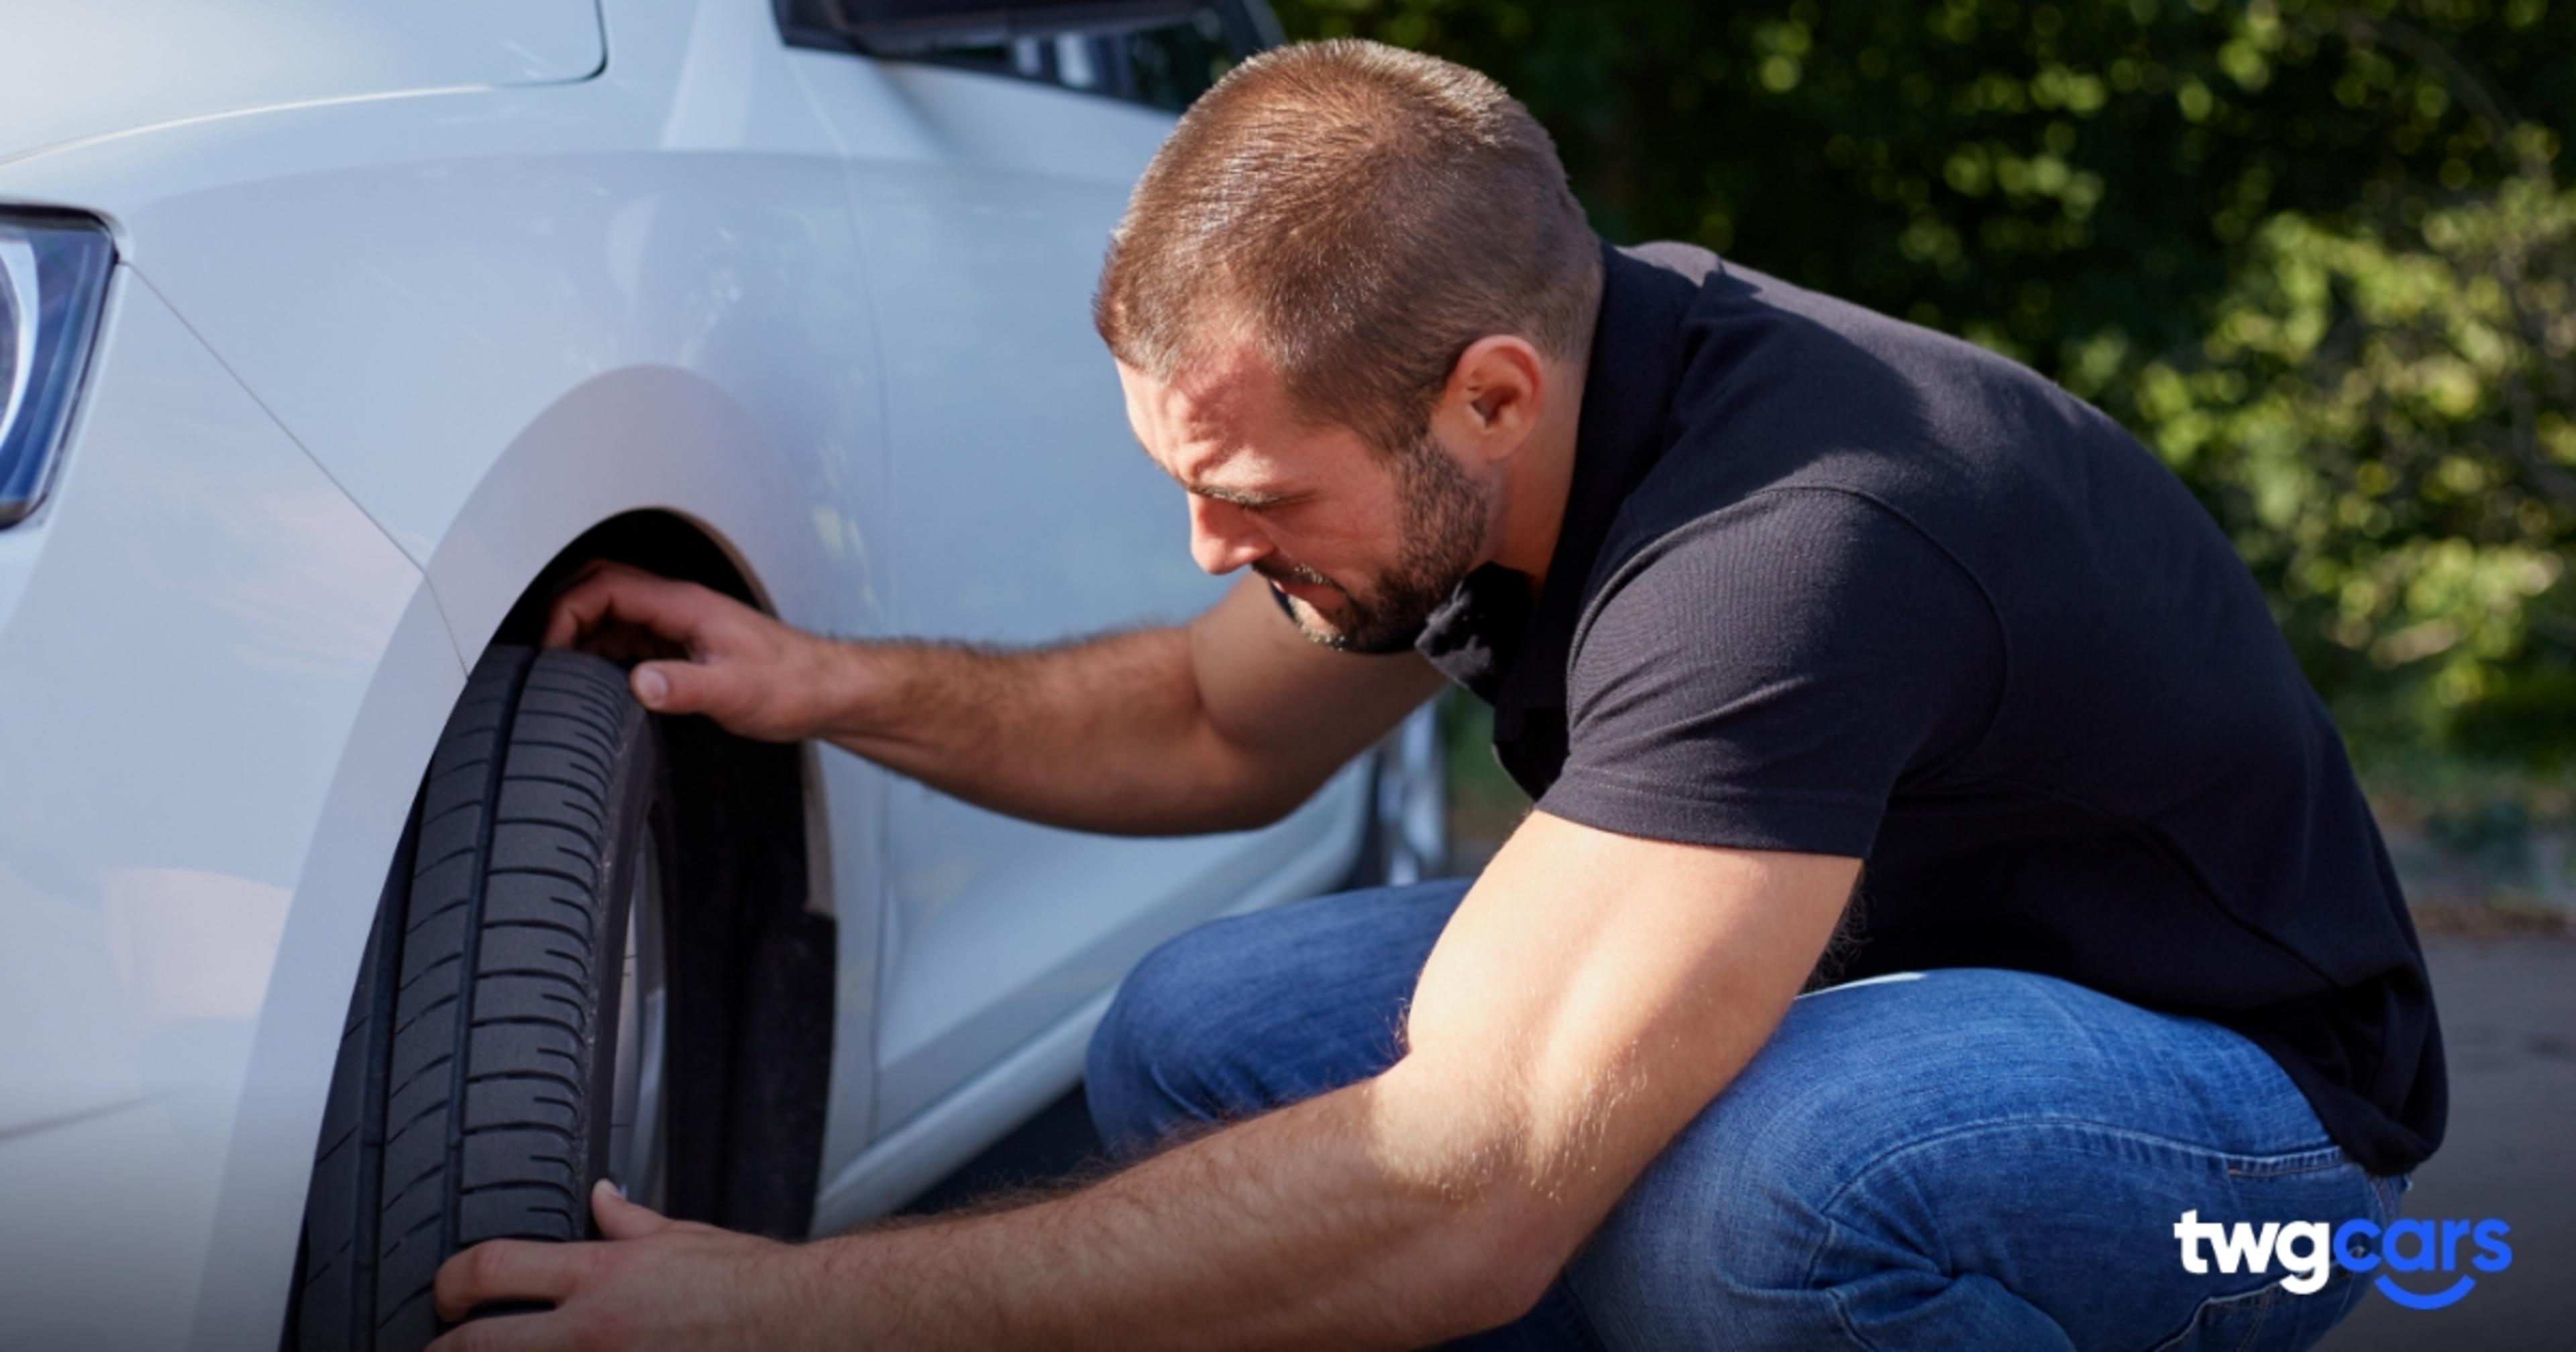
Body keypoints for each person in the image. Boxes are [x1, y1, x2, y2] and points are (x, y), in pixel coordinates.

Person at [427, 38, 2443, 1351]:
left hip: (2249, 1155)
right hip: (1880, 975)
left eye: (1252, 496)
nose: (1215, 549)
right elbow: (1213, 727)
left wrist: (785, 1314)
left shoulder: (1798, 541)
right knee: (1204, 1031)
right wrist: (829, 678)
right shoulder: (1516, 418)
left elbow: (1457, 1189)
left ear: (1487, 395)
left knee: (1771, 1211)